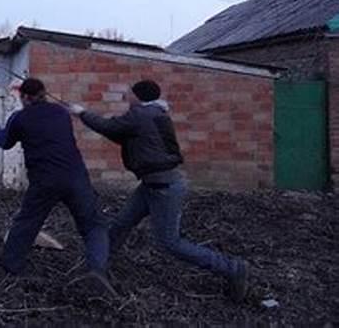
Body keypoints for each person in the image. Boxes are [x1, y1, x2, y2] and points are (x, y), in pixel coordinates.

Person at [69, 79, 249, 301]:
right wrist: (85, 116)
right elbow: (118, 134)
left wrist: (82, 113)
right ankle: (97, 269)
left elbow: (110, 127)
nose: (128, 97)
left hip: (164, 188)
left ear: (139, 96)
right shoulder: (152, 114)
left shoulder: (141, 115)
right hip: (152, 185)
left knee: (170, 243)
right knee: (120, 224)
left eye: (131, 94)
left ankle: (232, 268)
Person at [0, 78, 116, 296]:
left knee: (27, 223)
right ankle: (97, 271)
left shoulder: (20, 118)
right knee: (93, 225)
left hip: (44, 181)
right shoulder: (61, 113)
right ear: (44, 94)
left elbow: (5, 142)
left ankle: (11, 266)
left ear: (23, 97)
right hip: (75, 177)